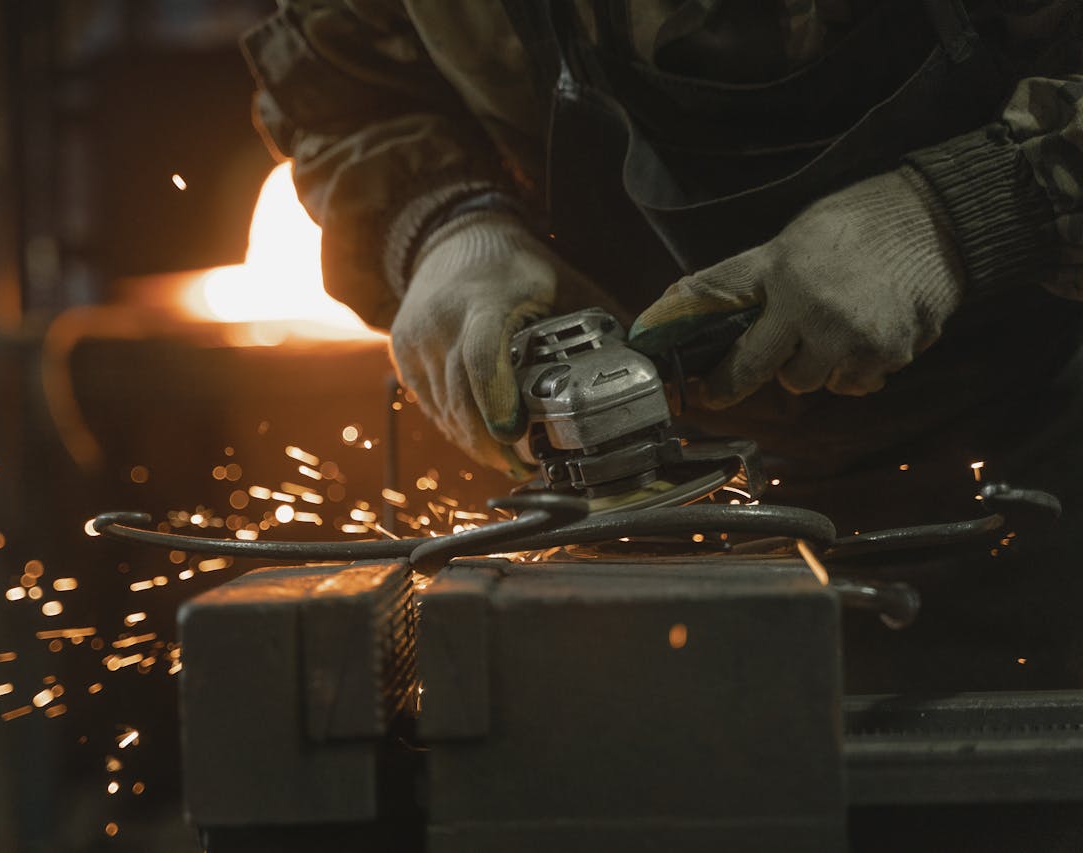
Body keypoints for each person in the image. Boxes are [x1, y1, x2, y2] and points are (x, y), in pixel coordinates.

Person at [242, 1, 1083, 692]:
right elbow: (344, 90)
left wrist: (974, 211)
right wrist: (445, 224)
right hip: (663, 559)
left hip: (1042, 472)